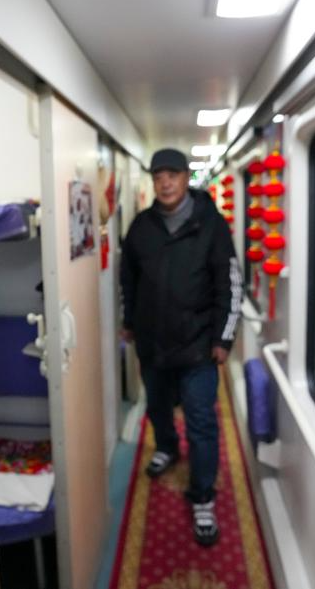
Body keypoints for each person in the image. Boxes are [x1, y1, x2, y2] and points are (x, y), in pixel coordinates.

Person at [119, 147, 242, 547]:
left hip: (198, 347)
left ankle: (202, 495)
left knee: (201, 420)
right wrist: (129, 321)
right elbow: (128, 280)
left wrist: (223, 338)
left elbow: (230, 285)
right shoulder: (141, 227)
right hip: (153, 344)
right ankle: (167, 448)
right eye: (158, 177)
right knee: (157, 407)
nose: (165, 183)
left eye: (172, 175)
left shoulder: (212, 225)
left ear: (186, 178)